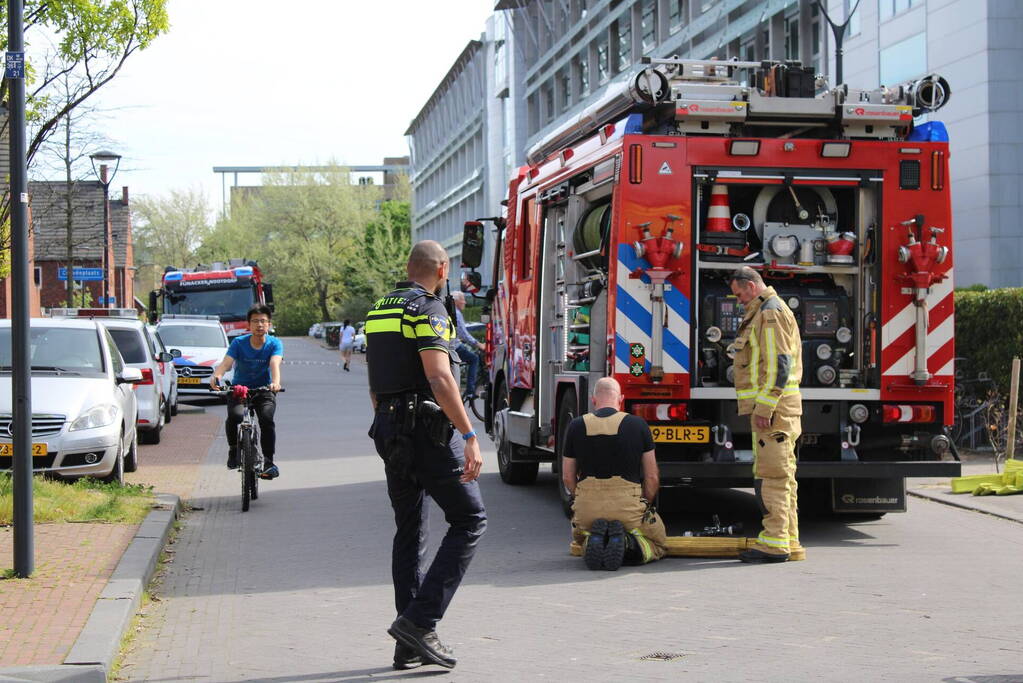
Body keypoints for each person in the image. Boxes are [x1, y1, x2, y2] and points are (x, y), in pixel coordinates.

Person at [366, 240, 486, 671]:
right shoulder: (428, 308)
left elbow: (375, 382)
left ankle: (408, 643)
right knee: (470, 519)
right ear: (443, 268)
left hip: (390, 427)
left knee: (410, 530)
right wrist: (469, 433)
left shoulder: (382, 307)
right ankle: (420, 622)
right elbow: (438, 376)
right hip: (426, 428)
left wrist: (389, 426)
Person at [727, 267, 804, 563]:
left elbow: (778, 363)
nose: (739, 301)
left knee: (773, 476)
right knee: (783, 475)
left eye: (739, 294)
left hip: (775, 410)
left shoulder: (770, 313)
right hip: (781, 408)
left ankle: (774, 543)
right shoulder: (766, 310)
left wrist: (765, 406)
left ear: (751, 285)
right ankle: (789, 538)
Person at [562, 377, 668, 571]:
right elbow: (652, 476)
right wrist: (645, 502)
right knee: (659, 543)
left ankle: (594, 540)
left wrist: (581, 497)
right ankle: (628, 544)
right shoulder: (638, 425)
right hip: (628, 508)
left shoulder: (576, 426)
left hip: (588, 509)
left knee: (580, 537)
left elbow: (567, 477)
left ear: (593, 400)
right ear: (621, 399)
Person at [210, 304, 284, 480]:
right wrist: (217, 376)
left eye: (263, 321)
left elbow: (275, 363)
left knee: (266, 419)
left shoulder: (275, 344)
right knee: (235, 416)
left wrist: (275, 383)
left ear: (269, 324)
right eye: (255, 321)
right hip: (239, 390)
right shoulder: (239, 343)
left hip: (264, 390)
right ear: (248, 325)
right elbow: (227, 363)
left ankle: (268, 461)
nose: (259, 325)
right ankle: (233, 450)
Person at [450, 291, 485, 399]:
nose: (465, 302)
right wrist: (479, 344)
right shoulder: (457, 313)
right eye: (463, 299)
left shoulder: (450, 311)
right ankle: (470, 391)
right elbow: (463, 334)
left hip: (450, 345)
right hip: (454, 347)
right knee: (474, 359)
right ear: (456, 301)